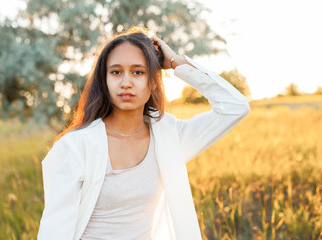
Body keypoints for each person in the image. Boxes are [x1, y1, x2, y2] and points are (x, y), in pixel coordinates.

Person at [37, 27, 250, 240]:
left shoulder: (169, 137)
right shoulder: (76, 146)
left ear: (153, 80)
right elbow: (54, 232)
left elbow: (235, 107)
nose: (126, 82)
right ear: (105, 80)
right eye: (116, 72)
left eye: (138, 72)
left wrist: (176, 62)